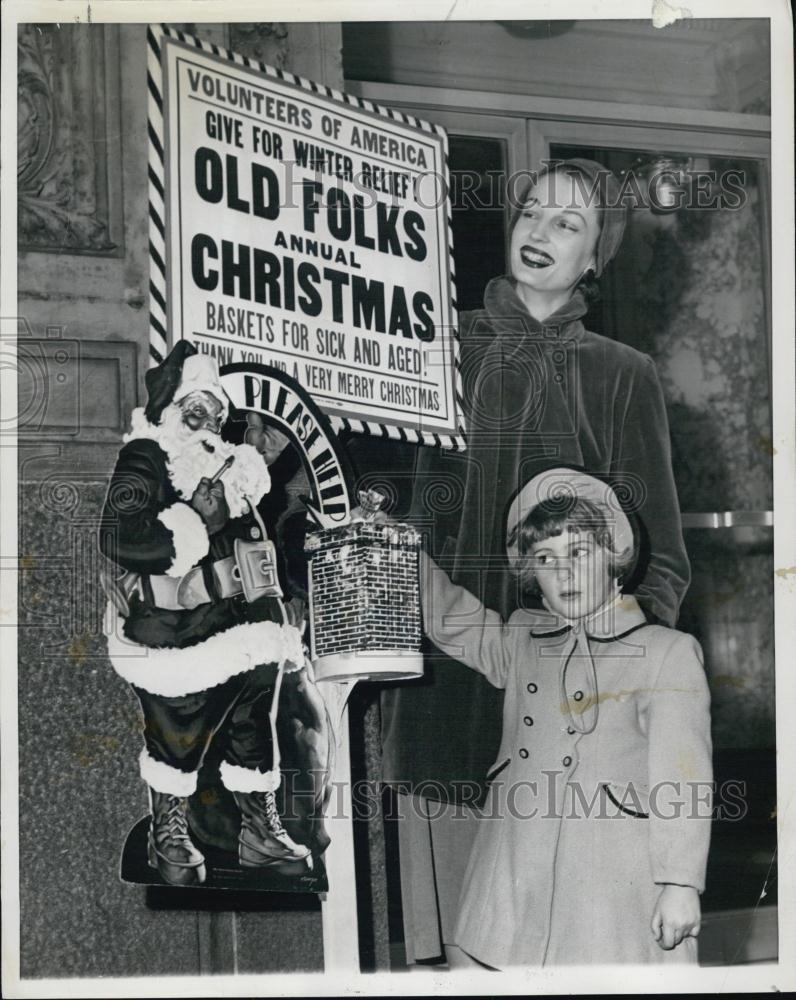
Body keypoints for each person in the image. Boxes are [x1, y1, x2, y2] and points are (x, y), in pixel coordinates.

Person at [380, 158, 692, 964]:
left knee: (577, 945)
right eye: (530, 214)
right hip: (445, 684)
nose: (541, 233)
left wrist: (611, 677)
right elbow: (386, 512)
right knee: (460, 945)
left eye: (568, 223)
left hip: (575, 715)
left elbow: (662, 563)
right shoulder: (431, 349)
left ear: (596, 257)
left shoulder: (623, 375)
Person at [416, 467, 712, 967]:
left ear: (615, 557)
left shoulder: (666, 652)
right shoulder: (525, 640)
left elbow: (682, 779)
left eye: (579, 553)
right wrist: (396, 554)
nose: (564, 574)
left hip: (610, 881)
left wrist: (680, 882)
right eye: (545, 559)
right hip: (513, 869)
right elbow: (452, 619)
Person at [100, 341, 311, 885]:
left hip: (250, 633)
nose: (209, 423)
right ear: (172, 411)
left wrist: (278, 611)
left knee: (252, 733)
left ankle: (258, 835)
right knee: (178, 734)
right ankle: (168, 833)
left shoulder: (231, 468)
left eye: (216, 413)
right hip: (180, 635)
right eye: (196, 410)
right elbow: (119, 536)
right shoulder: (147, 456)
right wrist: (195, 522)